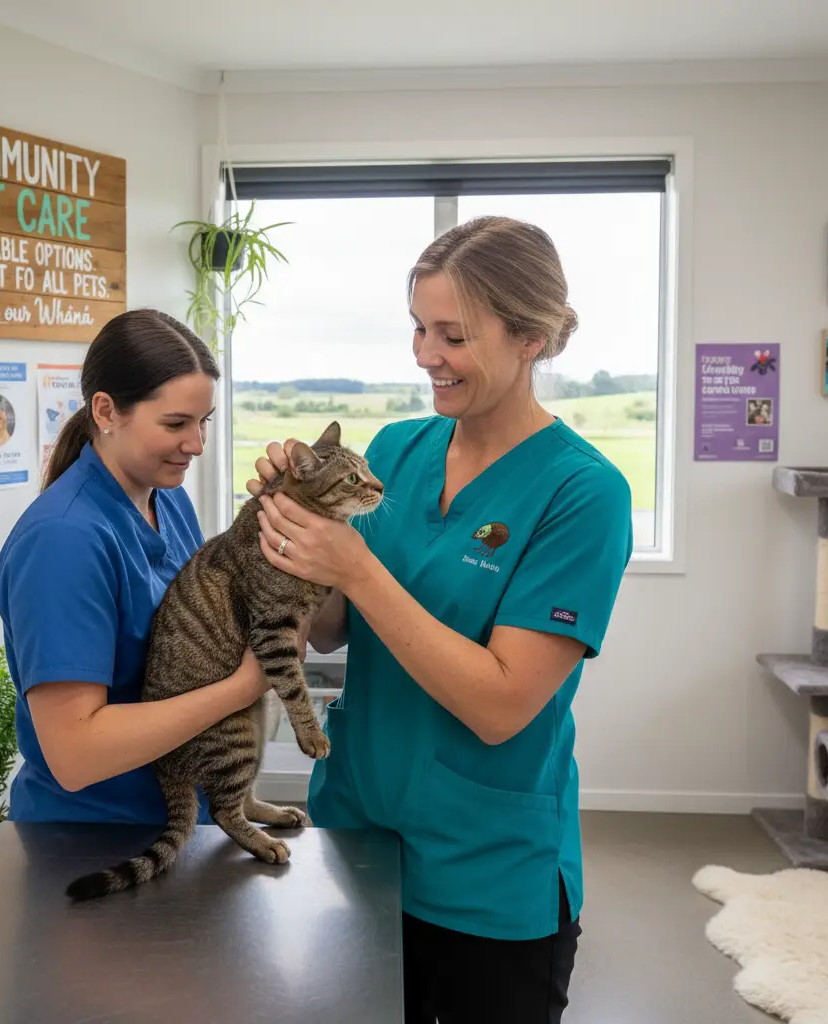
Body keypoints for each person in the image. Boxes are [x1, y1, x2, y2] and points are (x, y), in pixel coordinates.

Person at [248, 217, 633, 1023]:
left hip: (488, 876)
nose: (425, 354)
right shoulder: (394, 449)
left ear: (531, 337)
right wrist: (293, 526)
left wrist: (356, 564)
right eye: (419, 329)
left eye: (452, 335)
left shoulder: (582, 493)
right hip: (355, 833)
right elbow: (327, 628)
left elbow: (500, 705)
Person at [0, 309, 269, 825]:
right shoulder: (63, 541)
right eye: (175, 424)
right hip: (94, 840)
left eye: (203, 421)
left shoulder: (168, 501)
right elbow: (75, 755)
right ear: (105, 410)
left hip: (185, 825)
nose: (197, 444)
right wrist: (243, 687)